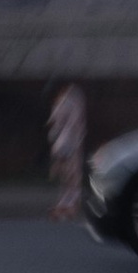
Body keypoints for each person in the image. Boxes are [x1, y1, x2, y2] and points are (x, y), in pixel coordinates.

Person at [49, 79, 87, 219]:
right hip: (71, 142)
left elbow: (56, 124)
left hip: (64, 142)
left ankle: (67, 203)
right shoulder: (74, 100)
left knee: (66, 176)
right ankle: (70, 203)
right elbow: (76, 123)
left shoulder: (62, 102)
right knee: (72, 175)